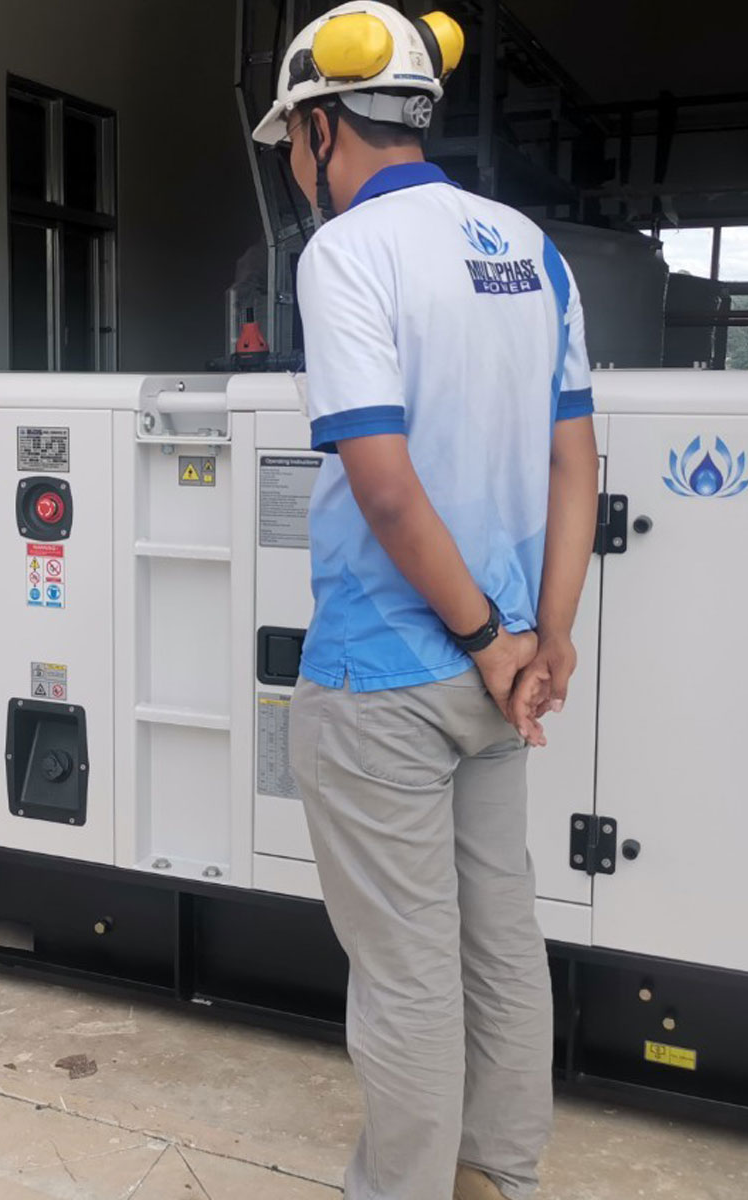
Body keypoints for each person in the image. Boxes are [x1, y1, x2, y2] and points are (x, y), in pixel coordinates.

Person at [253, 5, 601, 1198]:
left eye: (291, 143)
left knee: (404, 976)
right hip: (497, 678)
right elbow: (575, 464)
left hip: (385, 679)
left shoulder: (348, 252)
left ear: (321, 125)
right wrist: (544, 639)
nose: (292, 169)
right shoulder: (530, 249)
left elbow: (387, 488)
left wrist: (489, 636)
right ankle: (496, 1179)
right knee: (499, 939)